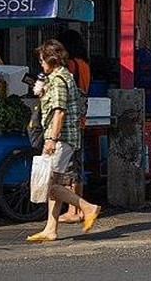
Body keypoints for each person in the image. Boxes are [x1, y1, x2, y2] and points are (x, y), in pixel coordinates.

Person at [26, 39, 101, 243]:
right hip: (64, 137)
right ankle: (51, 228)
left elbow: (59, 112)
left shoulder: (59, 79)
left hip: (60, 138)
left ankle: (87, 207)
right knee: (55, 183)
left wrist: (51, 139)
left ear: (50, 59)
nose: (41, 64)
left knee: (50, 185)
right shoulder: (60, 77)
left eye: (42, 60)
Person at [57, 29, 89, 224]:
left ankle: (74, 210)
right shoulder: (85, 64)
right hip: (82, 117)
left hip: (71, 120)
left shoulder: (70, 65)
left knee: (72, 167)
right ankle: (76, 208)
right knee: (78, 164)